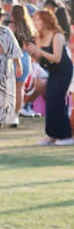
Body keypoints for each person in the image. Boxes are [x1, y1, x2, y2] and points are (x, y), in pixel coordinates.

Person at [26, 10, 73, 145]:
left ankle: (66, 136)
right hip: (51, 71)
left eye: (39, 20)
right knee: (50, 102)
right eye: (35, 20)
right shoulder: (38, 36)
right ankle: (51, 134)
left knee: (56, 101)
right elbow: (40, 59)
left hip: (63, 70)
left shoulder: (57, 35)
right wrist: (32, 52)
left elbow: (57, 58)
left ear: (47, 21)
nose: (36, 23)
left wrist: (39, 50)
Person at [9, 4, 37, 125]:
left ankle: (8, 114)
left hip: (12, 59)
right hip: (25, 58)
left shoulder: (11, 26)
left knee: (8, 89)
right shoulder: (29, 28)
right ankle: (15, 116)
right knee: (19, 89)